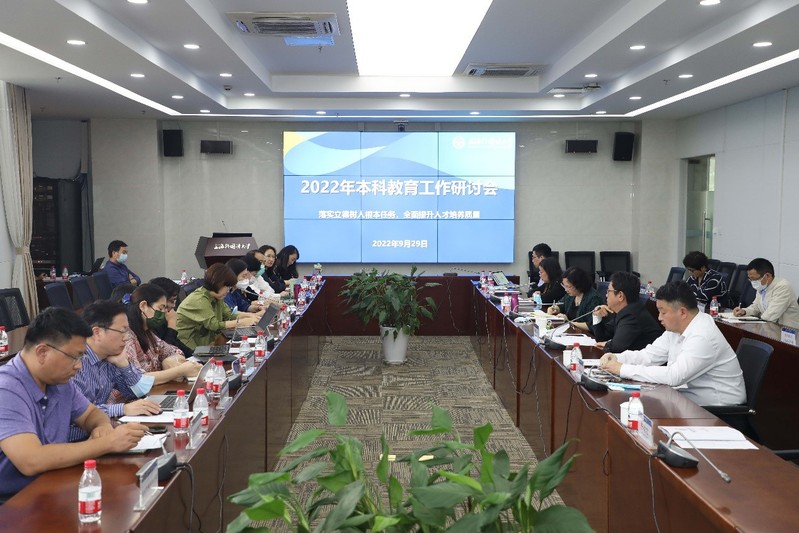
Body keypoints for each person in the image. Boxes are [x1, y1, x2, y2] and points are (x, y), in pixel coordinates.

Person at [0, 308, 147, 500]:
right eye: (74, 357)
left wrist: (101, 426)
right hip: (12, 501)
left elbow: (91, 414)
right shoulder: (6, 389)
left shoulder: (59, 382)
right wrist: (107, 443)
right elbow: (31, 460)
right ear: (42, 352)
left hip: (52, 482)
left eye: (82, 357)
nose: (79, 366)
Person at [600, 281, 745, 406]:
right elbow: (649, 356)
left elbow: (674, 376)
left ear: (682, 312)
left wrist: (622, 369)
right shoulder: (675, 329)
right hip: (689, 400)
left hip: (719, 410)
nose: (659, 317)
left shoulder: (703, 335)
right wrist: (617, 358)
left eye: (663, 312)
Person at [69, 301, 161, 441]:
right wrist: (123, 409)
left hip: (99, 435)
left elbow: (135, 392)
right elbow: (77, 412)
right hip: (73, 443)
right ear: (97, 333)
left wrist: (123, 364)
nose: (127, 337)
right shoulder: (75, 363)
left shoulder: (109, 358)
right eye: (122, 331)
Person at [122, 284, 202, 386]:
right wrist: (180, 370)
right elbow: (139, 379)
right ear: (143, 306)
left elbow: (172, 351)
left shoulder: (148, 333)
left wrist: (172, 360)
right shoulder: (127, 338)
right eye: (161, 309)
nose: (164, 313)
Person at [176, 263, 259, 350]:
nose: (228, 291)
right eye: (227, 287)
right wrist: (241, 322)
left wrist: (251, 317)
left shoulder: (217, 297)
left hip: (206, 341)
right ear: (218, 284)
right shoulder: (199, 299)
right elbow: (214, 325)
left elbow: (229, 315)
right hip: (189, 346)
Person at [590, 271, 663, 352]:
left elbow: (617, 347)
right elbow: (602, 337)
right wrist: (597, 316)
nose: (606, 295)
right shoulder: (625, 311)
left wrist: (607, 344)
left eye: (608, 291)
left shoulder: (632, 315)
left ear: (620, 296)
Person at [733, 258, 799, 329]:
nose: (752, 282)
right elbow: (756, 307)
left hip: (786, 331)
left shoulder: (783, 287)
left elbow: (771, 315)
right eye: (750, 279)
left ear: (767, 276)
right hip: (769, 328)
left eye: (754, 279)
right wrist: (744, 311)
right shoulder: (763, 286)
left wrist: (753, 323)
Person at [147, 277, 194, 357]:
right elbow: (164, 354)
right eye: (172, 301)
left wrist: (196, 356)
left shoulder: (164, 319)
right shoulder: (151, 323)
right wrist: (171, 327)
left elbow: (177, 344)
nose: (174, 306)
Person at [547, 267, 604, 331]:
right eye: (564, 286)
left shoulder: (593, 298)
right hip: (572, 331)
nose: (566, 289)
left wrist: (568, 322)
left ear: (579, 284)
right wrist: (555, 308)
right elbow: (561, 304)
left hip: (586, 334)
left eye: (568, 286)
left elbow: (592, 325)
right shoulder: (571, 295)